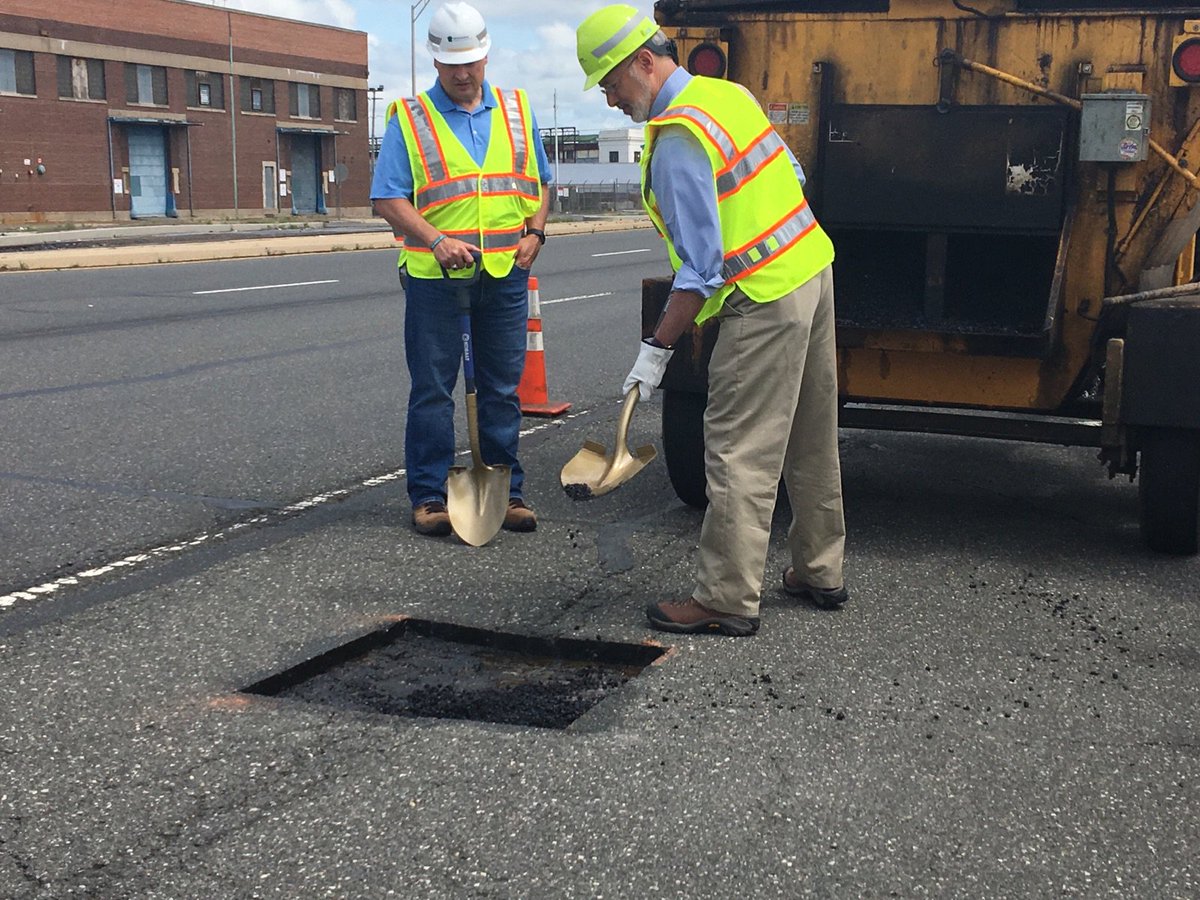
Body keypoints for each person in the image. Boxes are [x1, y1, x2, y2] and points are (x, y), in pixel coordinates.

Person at [575, 5, 849, 636]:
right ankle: (819, 568)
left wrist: (655, 351)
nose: (612, 100)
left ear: (645, 62)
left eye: (612, 83)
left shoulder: (677, 140)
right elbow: (794, 175)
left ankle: (726, 597)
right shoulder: (727, 96)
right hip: (812, 270)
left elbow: (699, 272)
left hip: (763, 297)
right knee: (811, 435)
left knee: (736, 451)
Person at [371, 1, 553, 537]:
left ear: (486, 54)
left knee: (501, 387)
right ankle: (428, 495)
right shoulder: (410, 119)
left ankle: (508, 490)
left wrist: (536, 231)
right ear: (435, 62)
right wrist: (435, 239)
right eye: (452, 64)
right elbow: (387, 197)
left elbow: (542, 182)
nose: (463, 72)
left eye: (471, 61)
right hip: (435, 279)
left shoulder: (518, 110)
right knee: (432, 387)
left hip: (504, 273)